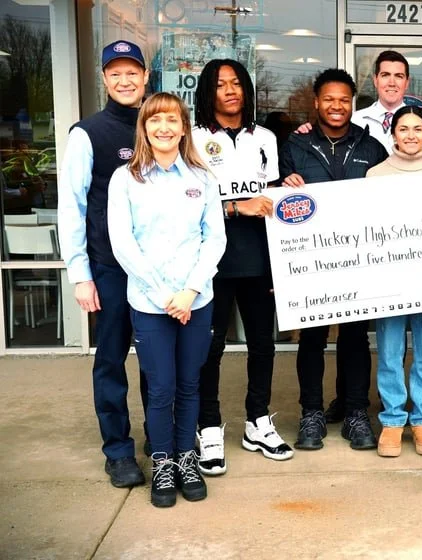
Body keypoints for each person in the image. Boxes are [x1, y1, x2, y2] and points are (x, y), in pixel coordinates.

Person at [108, 92, 226, 507]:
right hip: (150, 302)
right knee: (161, 389)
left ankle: (186, 459)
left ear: (183, 126)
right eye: (154, 120)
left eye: (171, 120)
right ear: (144, 127)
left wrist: (191, 290)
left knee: (190, 384)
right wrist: (164, 296)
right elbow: (123, 244)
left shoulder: (202, 177)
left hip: (197, 299)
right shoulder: (125, 179)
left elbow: (215, 239)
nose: (163, 127)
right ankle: (162, 462)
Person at [192, 59, 293, 476]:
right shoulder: (193, 139)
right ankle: (209, 428)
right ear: (207, 93)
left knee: (262, 343)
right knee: (210, 348)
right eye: (221, 85)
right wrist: (235, 206)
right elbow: (188, 202)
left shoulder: (266, 137)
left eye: (237, 83)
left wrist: (288, 189)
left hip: (259, 256)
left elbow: (270, 197)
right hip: (211, 259)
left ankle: (258, 421)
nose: (230, 91)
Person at [58, 40, 150, 489]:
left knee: (158, 361)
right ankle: (118, 451)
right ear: (104, 79)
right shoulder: (87, 133)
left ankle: (162, 441)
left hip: (157, 271)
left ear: (146, 76)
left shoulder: (165, 125)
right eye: (115, 73)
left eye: (132, 71)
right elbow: (72, 206)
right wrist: (80, 273)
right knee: (111, 362)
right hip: (110, 268)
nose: (125, 80)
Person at [280, 68, 388, 451]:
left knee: (356, 337)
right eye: (329, 99)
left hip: (359, 260)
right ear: (316, 102)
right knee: (312, 336)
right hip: (312, 263)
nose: (337, 106)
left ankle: (355, 411)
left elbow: (389, 196)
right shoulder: (294, 146)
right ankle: (311, 413)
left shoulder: (371, 145)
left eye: (344, 99)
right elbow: (279, 201)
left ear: (352, 103)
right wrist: (284, 185)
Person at [365, 106, 422, 458]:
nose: (411, 135)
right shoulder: (375, 176)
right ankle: (393, 420)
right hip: (391, 281)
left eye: (418, 129)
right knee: (390, 351)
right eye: (404, 129)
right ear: (393, 134)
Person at [352, 50, 422, 159]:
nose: (392, 83)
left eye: (399, 76)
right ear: (375, 80)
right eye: (385, 75)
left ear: (407, 82)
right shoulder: (355, 121)